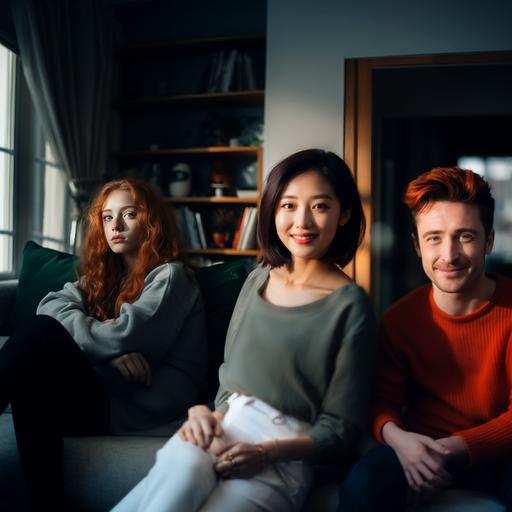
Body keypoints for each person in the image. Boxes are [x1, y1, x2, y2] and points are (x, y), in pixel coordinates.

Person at [112, 149, 378, 512]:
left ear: (344, 213)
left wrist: (265, 452)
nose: (302, 221)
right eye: (288, 205)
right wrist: (203, 414)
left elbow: (340, 429)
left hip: (283, 454)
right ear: (273, 210)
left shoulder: (350, 305)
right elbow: (228, 382)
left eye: (320, 206)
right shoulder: (256, 281)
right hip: (221, 428)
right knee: (174, 485)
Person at [0, 178, 207, 510]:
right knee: (33, 371)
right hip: (102, 392)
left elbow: (124, 335)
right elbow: (50, 305)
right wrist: (107, 355)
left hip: (135, 409)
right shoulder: (103, 279)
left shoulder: (172, 277)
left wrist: (104, 344)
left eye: (129, 214)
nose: (116, 225)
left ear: (151, 222)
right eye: (108, 217)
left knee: (39, 334)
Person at [338, 167, 512, 511]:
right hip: (420, 447)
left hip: (502, 454)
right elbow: (381, 404)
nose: (449, 255)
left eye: (465, 236)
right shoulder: (401, 318)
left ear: (488, 240)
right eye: (434, 238)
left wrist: (448, 450)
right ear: (417, 245)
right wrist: (405, 446)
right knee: (363, 484)